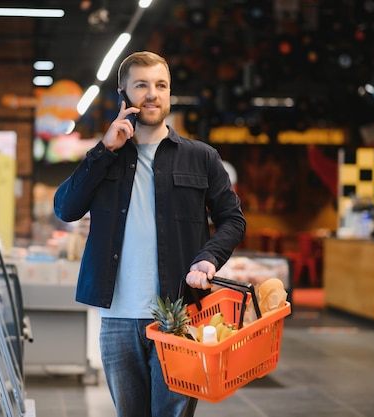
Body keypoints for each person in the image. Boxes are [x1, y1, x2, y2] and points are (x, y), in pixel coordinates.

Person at [53, 51, 246, 417]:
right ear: (123, 93)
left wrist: (208, 258)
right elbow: (65, 208)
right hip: (117, 319)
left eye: (161, 85)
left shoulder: (201, 157)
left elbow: (233, 219)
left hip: (178, 318)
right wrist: (105, 149)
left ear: (170, 93)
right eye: (142, 85)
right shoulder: (106, 155)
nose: (153, 94)